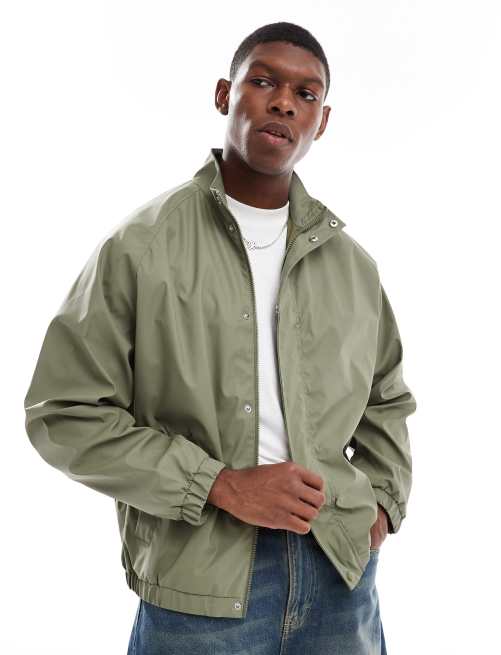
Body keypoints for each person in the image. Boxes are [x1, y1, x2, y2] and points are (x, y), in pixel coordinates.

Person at [24, 21, 416, 655]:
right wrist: (218, 484)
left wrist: (381, 506)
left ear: (321, 121)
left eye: (306, 93)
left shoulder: (351, 265)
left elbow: (387, 398)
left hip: (339, 575)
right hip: (200, 586)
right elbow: (64, 413)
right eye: (263, 81)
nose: (283, 102)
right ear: (223, 95)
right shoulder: (141, 246)